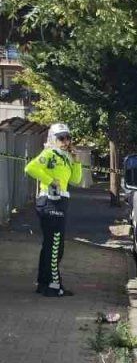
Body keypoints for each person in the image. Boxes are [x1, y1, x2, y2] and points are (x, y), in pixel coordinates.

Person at [24, 122, 83, 297]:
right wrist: (50, 180)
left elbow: (75, 180)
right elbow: (31, 168)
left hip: (61, 201)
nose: (65, 141)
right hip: (50, 201)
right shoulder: (49, 153)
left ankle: (43, 283)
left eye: (68, 138)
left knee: (50, 244)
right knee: (56, 245)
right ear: (52, 139)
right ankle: (53, 285)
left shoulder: (65, 156)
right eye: (61, 138)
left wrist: (76, 161)